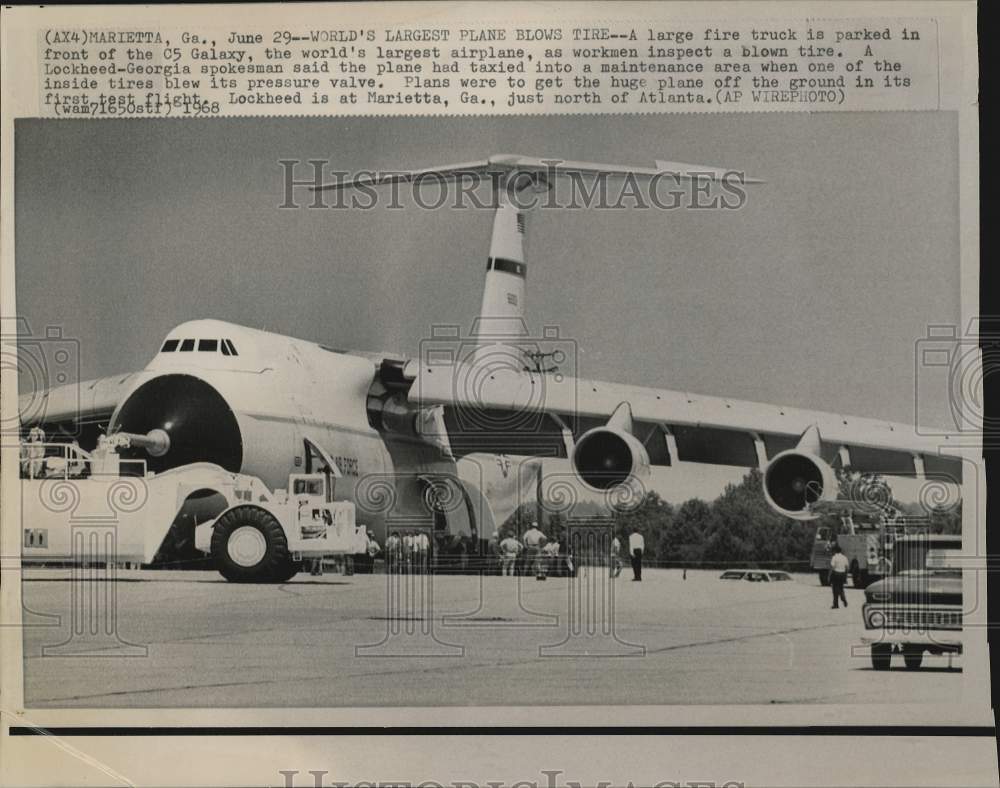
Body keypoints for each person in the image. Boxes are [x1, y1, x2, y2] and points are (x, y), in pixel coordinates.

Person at [829, 543, 850, 609]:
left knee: (835, 589)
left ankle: (836, 604)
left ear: (835, 551)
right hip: (842, 574)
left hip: (836, 574)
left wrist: (829, 575)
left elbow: (832, 567)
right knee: (841, 588)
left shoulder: (834, 557)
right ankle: (844, 599)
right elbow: (847, 567)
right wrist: (845, 575)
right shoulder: (844, 557)